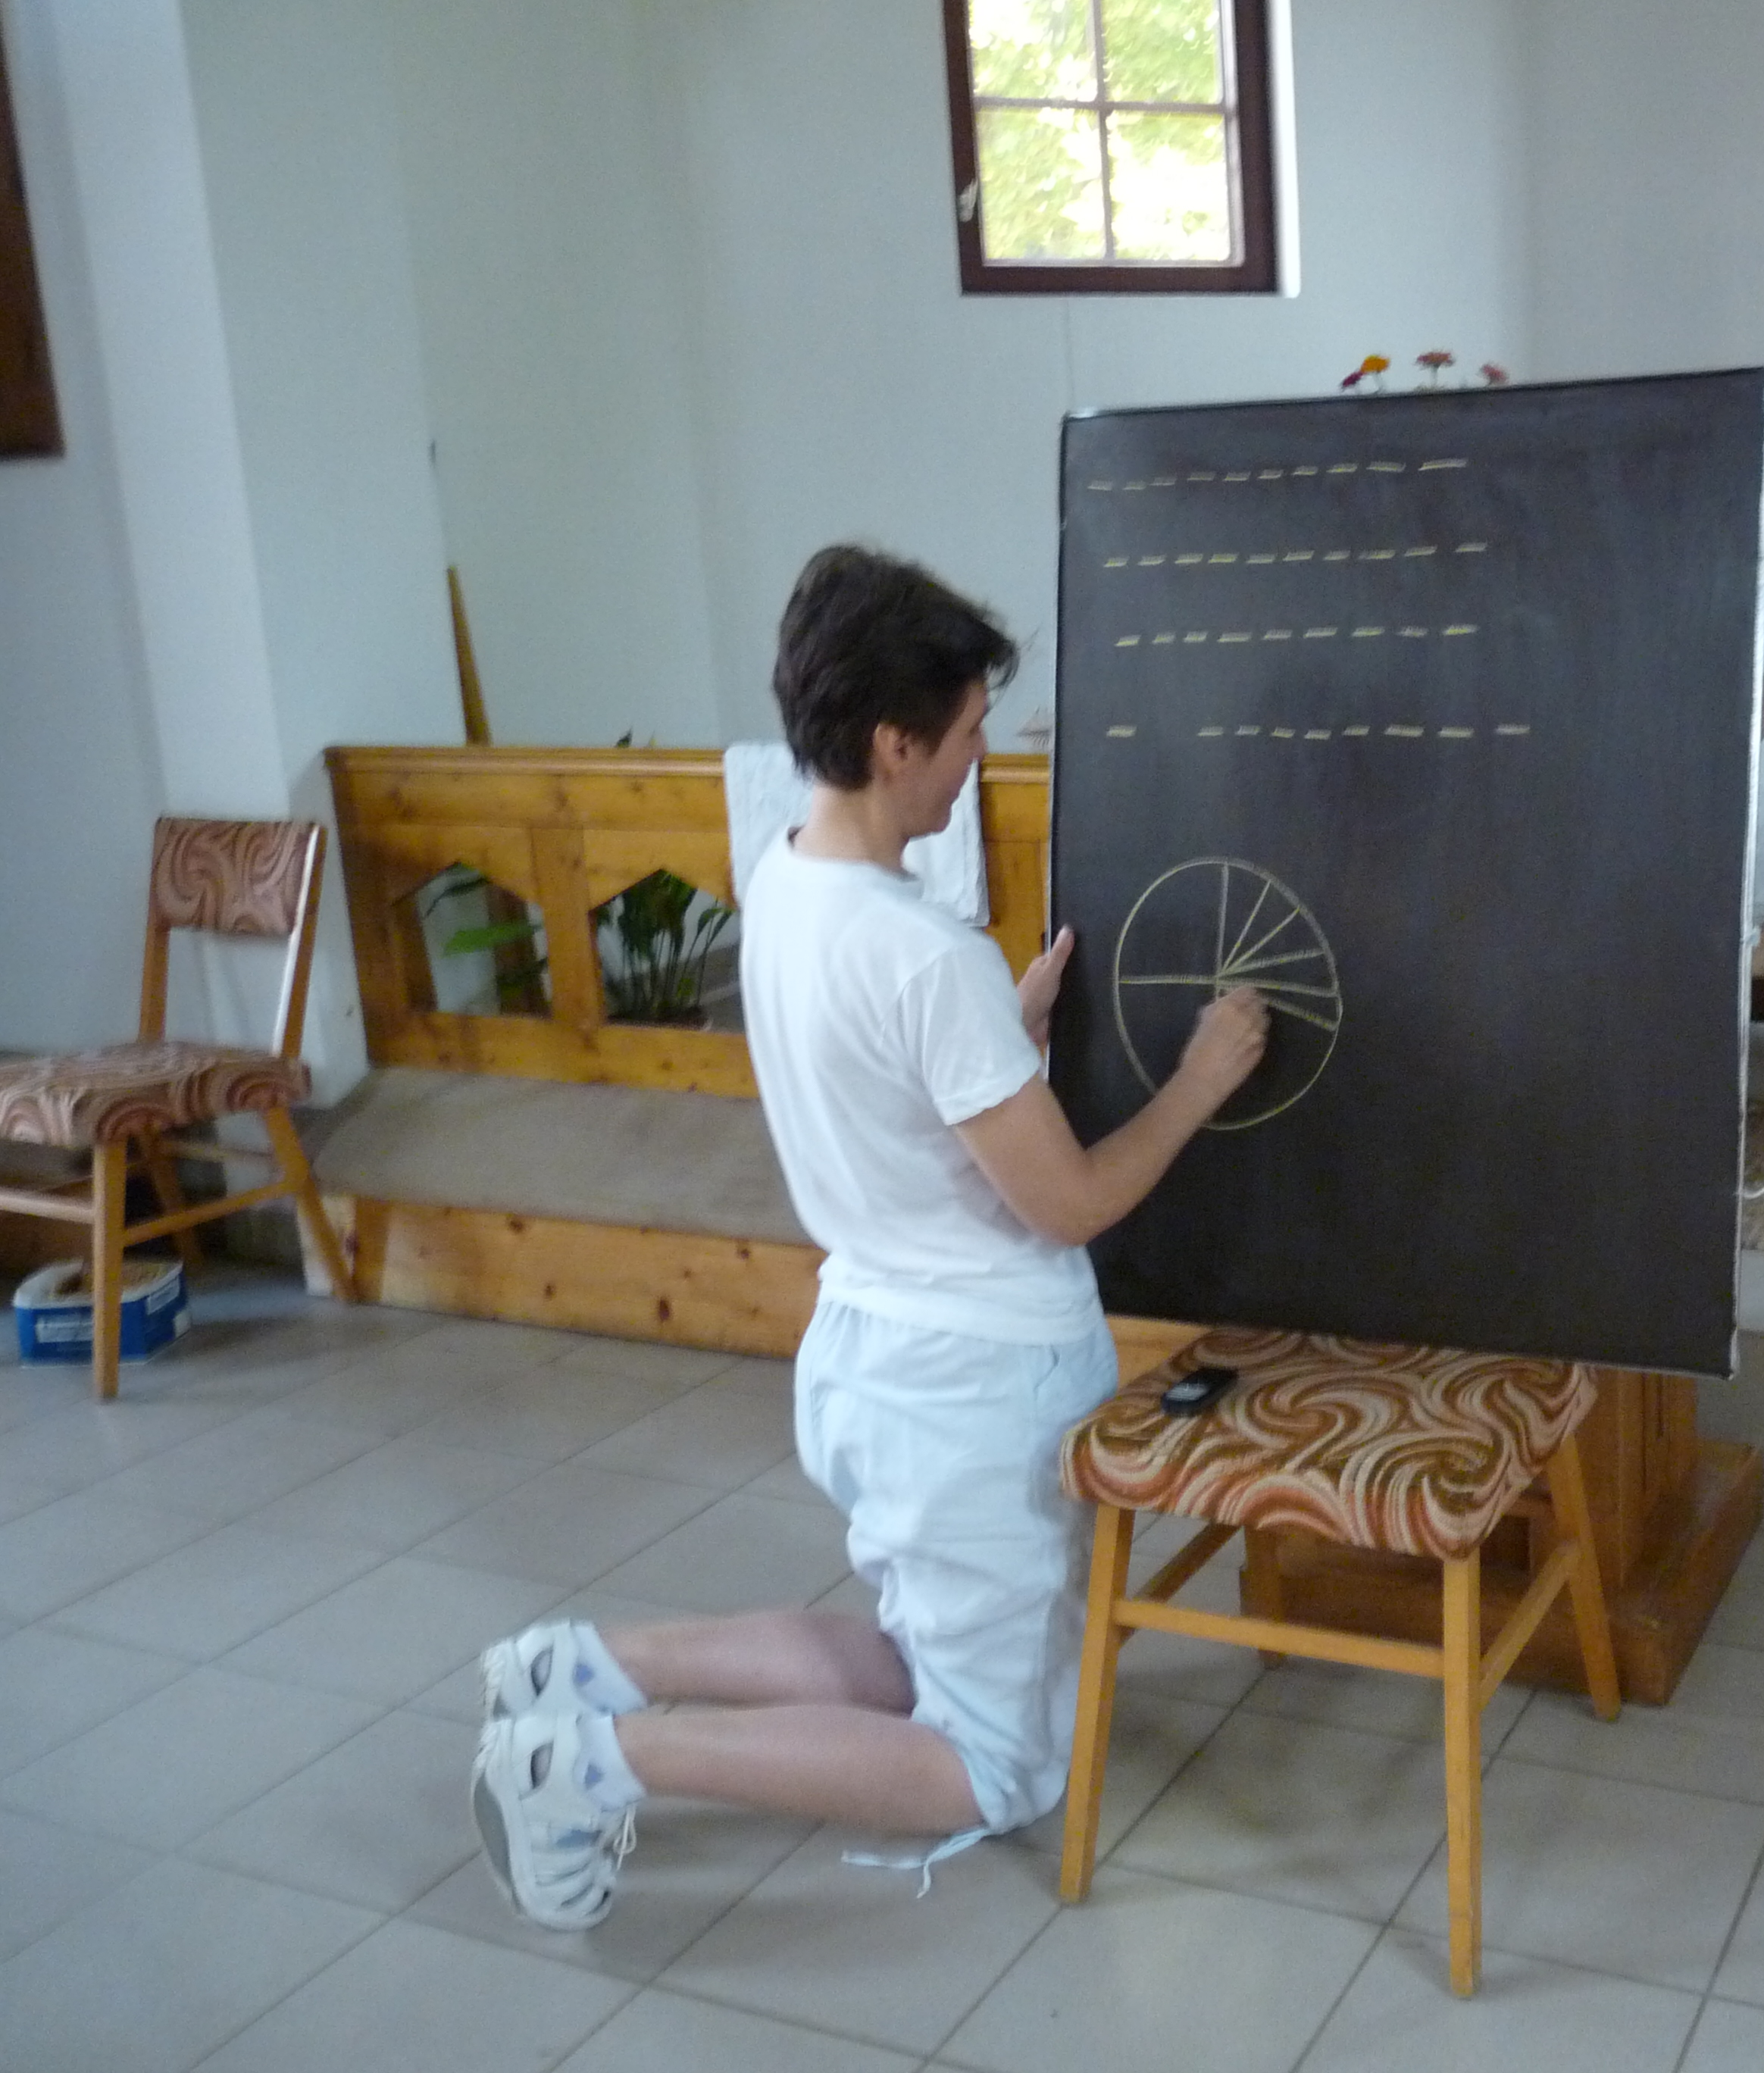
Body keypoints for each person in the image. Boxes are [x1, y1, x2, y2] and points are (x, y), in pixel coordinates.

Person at [466, 544, 1267, 1928]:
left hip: (870, 1353)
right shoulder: (925, 954)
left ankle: (579, 1666)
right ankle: (591, 1761)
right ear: (896, 742)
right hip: (969, 1387)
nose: (979, 759)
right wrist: (1200, 1080)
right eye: (967, 732)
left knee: (912, 1663)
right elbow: (1069, 1203)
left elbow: (884, 1076)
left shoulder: (784, 878)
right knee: (991, 1764)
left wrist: (999, 1034)